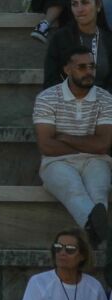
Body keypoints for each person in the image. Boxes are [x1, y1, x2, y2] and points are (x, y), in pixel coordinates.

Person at [34, 46, 112, 265]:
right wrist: (88, 145)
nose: (89, 71)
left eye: (92, 66)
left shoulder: (105, 99)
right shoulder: (47, 98)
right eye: (82, 67)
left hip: (96, 160)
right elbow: (46, 146)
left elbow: (103, 144)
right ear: (67, 69)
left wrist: (66, 137)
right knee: (73, 189)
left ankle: (96, 236)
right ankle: (101, 237)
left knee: (98, 192)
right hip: (55, 162)